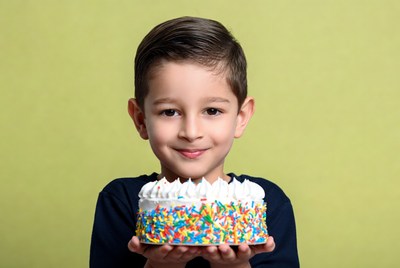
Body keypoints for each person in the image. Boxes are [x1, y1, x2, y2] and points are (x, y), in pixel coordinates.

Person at [90, 16, 299, 268]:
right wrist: (162, 265)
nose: (191, 132)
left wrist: (234, 266)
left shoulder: (264, 203)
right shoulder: (122, 201)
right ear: (141, 119)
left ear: (240, 118)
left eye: (212, 111)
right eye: (169, 112)